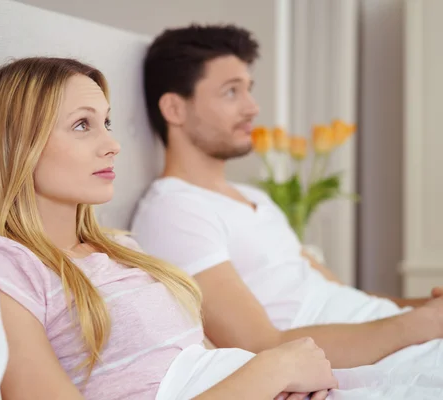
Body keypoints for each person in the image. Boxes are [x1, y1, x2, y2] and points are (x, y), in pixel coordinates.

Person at [0, 56, 337, 400]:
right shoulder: (5, 268)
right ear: (18, 143)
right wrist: (274, 369)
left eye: (107, 123)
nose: (113, 145)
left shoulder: (120, 249)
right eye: (82, 124)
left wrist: (281, 374)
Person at [131, 24, 443, 370]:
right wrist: (418, 324)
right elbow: (261, 345)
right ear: (175, 108)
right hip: (359, 357)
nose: (252, 107)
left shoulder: (253, 198)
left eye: (249, 89)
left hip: (394, 335)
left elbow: (343, 296)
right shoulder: (175, 211)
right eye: (231, 92)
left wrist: (420, 307)